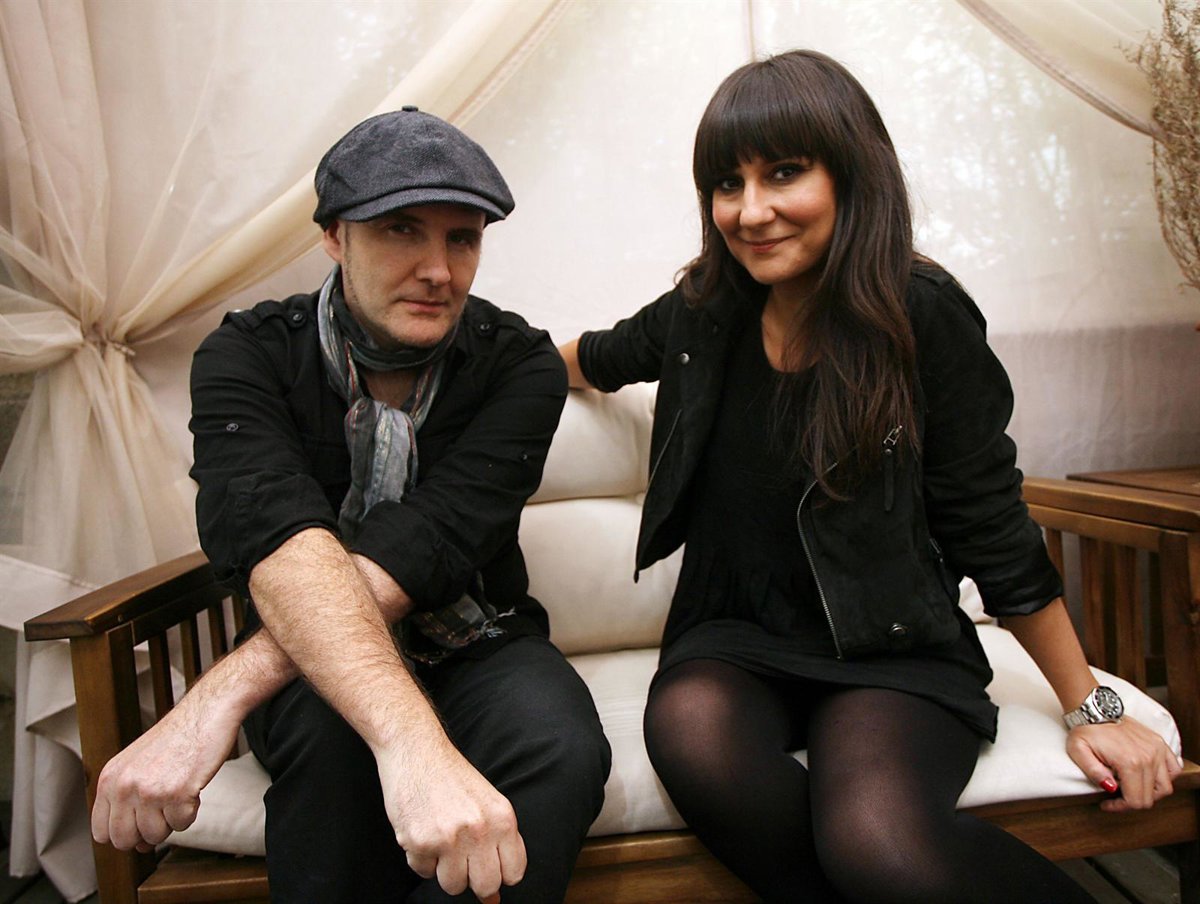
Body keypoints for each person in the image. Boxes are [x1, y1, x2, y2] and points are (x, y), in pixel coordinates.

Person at [560, 50, 1180, 903]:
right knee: (693, 734)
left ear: (853, 173)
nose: (751, 211)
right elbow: (592, 357)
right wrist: (459, 364)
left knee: (875, 842)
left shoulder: (921, 316)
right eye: (727, 183)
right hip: (732, 637)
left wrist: (1091, 707)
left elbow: (991, 527)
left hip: (892, 646)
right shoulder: (706, 309)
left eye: (784, 172)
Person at [90, 108, 610, 904]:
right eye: (402, 230)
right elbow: (278, 538)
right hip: (303, 663)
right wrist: (407, 741)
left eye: (462, 238)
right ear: (334, 235)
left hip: (475, 637)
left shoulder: (518, 364)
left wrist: (221, 693)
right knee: (332, 745)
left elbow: (430, 541)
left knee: (560, 745)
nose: (439, 269)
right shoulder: (248, 355)